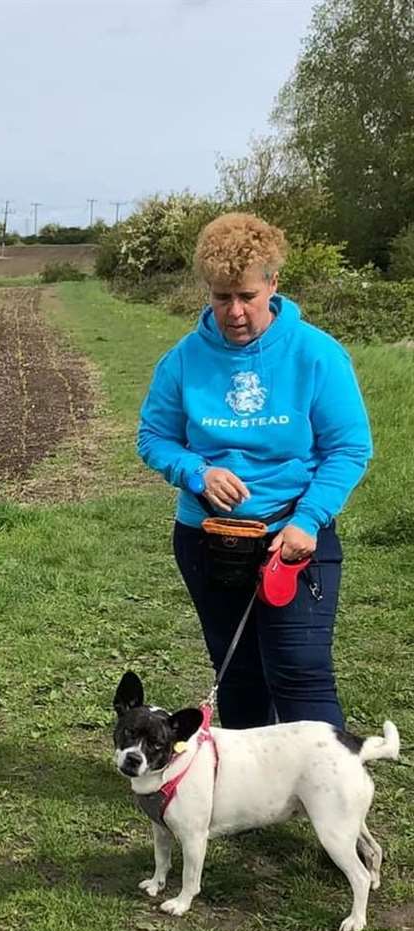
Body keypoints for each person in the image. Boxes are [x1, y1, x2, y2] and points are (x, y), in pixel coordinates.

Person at [137, 212, 372, 730]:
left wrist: (308, 520)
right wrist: (195, 472)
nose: (234, 311)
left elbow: (349, 448)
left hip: (294, 538)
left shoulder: (317, 354)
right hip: (207, 541)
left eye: (246, 296)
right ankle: (252, 801)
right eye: (221, 298)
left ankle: (328, 799)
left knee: (300, 671)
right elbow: (153, 438)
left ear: (273, 283)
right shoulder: (182, 360)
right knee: (237, 672)